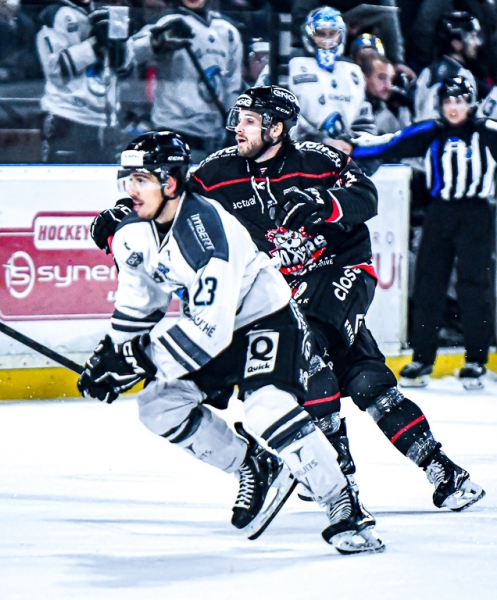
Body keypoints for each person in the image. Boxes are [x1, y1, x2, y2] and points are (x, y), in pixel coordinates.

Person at [90, 85, 485, 513]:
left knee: (307, 354)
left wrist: (322, 202)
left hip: (341, 272)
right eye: (237, 118)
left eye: (249, 120)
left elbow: (366, 196)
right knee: (367, 380)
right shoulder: (219, 171)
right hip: (285, 290)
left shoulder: (318, 159)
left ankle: (340, 471)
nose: (237, 128)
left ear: (276, 127)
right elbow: (173, 197)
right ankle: (444, 469)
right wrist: (122, 217)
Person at [79, 130, 384, 554]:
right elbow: (139, 304)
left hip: (268, 322)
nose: (130, 190)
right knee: (156, 406)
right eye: (127, 179)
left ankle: (342, 504)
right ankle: (252, 465)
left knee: (266, 410)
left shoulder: (205, 231)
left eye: (141, 179)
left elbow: (210, 332)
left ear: (170, 183)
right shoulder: (134, 233)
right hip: (217, 328)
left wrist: (142, 361)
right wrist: (112, 353)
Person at [353, 76, 496, 391]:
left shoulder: (487, 132)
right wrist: (347, 149)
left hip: (476, 214)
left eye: (459, 101)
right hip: (440, 213)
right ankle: (422, 357)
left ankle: (476, 359)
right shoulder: (431, 131)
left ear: (470, 104)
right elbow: (391, 143)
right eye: (448, 102)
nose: (453, 108)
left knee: (474, 286)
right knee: (429, 284)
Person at [127, 0, 243, 162]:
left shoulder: (228, 32)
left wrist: (234, 128)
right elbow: (128, 55)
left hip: (214, 136)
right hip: (172, 130)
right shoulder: (167, 22)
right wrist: (156, 42)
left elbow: (232, 86)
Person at [36, 0, 130, 163]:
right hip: (66, 117)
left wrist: (119, 47)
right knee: (61, 184)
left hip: (106, 121)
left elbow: (125, 68)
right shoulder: (55, 15)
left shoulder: (108, 11)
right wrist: (96, 44)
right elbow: (56, 71)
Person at [288, 6, 375, 155]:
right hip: (296, 158)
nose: (327, 40)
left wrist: (353, 146)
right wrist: (319, 142)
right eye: (321, 33)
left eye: (332, 34)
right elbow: (274, 117)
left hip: (345, 158)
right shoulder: (289, 65)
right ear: (309, 34)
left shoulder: (353, 71)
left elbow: (365, 123)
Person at [413, 11, 480, 122]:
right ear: (456, 44)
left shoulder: (428, 71)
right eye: (471, 37)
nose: (476, 43)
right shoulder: (462, 76)